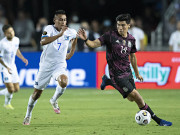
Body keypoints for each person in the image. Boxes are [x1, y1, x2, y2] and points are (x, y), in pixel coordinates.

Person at [78, 13, 172, 126]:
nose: (120, 28)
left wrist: (137, 73)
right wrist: (86, 39)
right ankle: (158, 120)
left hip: (128, 73)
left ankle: (108, 81)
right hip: (116, 74)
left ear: (128, 25)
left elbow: (132, 56)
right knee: (137, 96)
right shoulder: (109, 36)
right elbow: (93, 44)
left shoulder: (131, 39)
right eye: (118, 25)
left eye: (123, 25)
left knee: (131, 99)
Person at [23, 10, 77, 125]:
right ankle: (28, 115)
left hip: (60, 65)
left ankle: (53, 100)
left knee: (64, 81)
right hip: (45, 66)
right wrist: (59, 35)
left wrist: (71, 52)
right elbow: (42, 42)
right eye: (60, 19)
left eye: (64, 20)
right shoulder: (49, 29)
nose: (63, 22)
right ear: (54, 20)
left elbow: (75, 37)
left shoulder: (70, 31)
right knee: (37, 93)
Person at [0, 24, 28, 109]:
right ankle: (7, 104)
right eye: (9, 33)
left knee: (16, 89)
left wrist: (22, 58)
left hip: (13, 66)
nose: (11, 34)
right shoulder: (2, 43)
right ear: (5, 34)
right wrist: (6, 67)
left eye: (12, 31)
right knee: (11, 89)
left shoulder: (16, 40)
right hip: (4, 67)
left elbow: (16, 50)